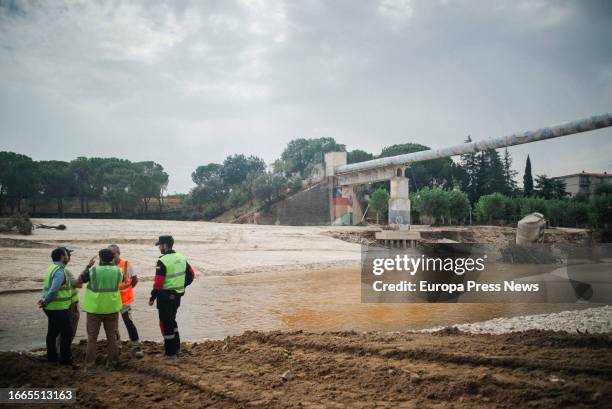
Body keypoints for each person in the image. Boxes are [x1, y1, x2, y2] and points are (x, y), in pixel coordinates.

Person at [149, 235, 195, 358]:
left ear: (165, 245)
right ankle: (177, 348)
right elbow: (191, 274)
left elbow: (158, 282)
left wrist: (152, 297)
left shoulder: (162, 261)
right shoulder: (181, 258)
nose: (159, 248)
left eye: (160, 245)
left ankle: (170, 353)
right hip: (177, 295)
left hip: (164, 296)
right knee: (172, 321)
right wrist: (182, 285)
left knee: (165, 323)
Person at [78, 248, 123, 369]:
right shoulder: (118, 271)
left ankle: (90, 365)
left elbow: (80, 280)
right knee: (112, 338)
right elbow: (122, 280)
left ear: (100, 258)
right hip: (112, 309)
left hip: (94, 310)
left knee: (92, 338)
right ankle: (112, 364)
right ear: (112, 258)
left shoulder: (93, 271)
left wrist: (88, 265)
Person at [38, 247, 79, 368]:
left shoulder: (51, 268)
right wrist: (45, 300)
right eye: (67, 255)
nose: (68, 257)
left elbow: (46, 287)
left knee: (53, 332)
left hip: (51, 307)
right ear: (62, 256)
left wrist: (43, 299)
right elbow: (54, 289)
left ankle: (52, 358)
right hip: (57, 308)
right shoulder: (60, 271)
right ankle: (65, 359)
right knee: (67, 332)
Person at [108, 244, 144, 358]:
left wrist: (128, 290)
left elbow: (135, 280)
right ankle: (117, 346)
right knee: (113, 326)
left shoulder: (127, 264)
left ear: (118, 253)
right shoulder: (106, 266)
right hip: (112, 301)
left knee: (129, 323)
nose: (112, 256)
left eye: (113, 254)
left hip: (124, 300)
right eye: (110, 254)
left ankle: (137, 346)